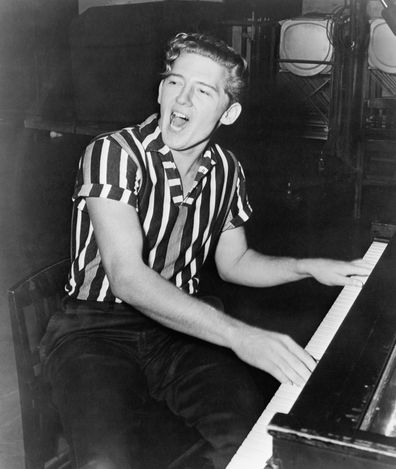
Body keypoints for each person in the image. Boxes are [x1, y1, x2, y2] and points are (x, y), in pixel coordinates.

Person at [40, 32, 370, 469]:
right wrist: (239, 335)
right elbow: (127, 277)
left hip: (179, 330)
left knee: (251, 440)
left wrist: (306, 266)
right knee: (105, 461)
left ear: (228, 112)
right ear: (161, 89)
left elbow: (236, 263)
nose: (183, 98)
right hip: (93, 330)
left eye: (203, 90)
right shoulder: (114, 153)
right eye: (175, 82)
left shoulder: (226, 170)